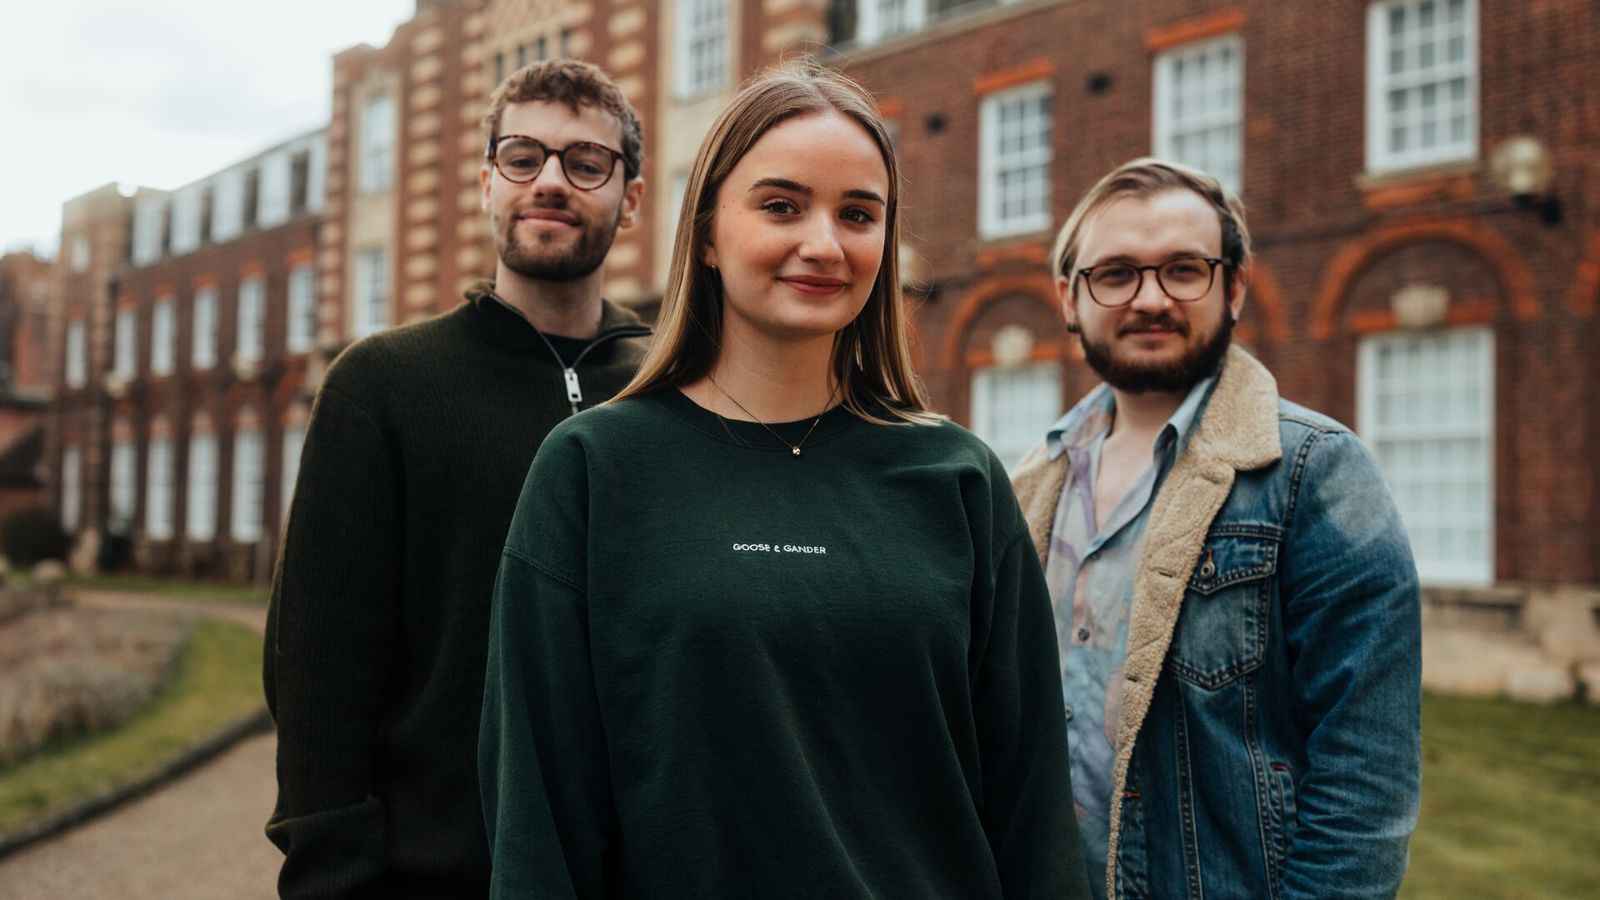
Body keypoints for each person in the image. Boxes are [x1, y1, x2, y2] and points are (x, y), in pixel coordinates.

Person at [478, 62, 1090, 899]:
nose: (825, 244)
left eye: (858, 214)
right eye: (781, 205)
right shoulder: (594, 469)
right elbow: (540, 818)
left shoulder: (958, 479)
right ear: (703, 233)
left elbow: (1034, 816)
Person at [264, 59, 651, 899]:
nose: (550, 180)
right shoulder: (383, 383)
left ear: (632, 200)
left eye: (586, 163)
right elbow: (317, 670)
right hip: (439, 876)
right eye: (523, 156)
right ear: (485, 181)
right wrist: (333, 874)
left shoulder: (676, 387)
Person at [1012, 158, 1422, 898]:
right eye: (1116, 274)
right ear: (1069, 299)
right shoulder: (1027, 484)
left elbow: (1367, 775)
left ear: (1232, 287)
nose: (1150, 298)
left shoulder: (1314, 473)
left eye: (1182, 269)